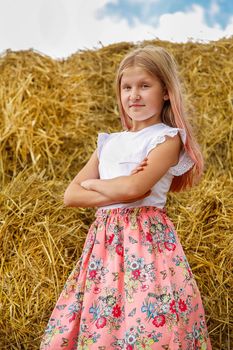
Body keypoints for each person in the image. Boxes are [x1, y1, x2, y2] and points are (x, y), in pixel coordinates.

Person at [40, 45, 212, 349]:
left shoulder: (167, 139)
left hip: (145, 243)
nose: (134, 95)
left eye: (145, 86)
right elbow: (71, 195)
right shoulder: (109, 143)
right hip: (104, 243)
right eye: (127, 87)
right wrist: (110, 186)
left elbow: (134, 191)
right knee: (103, 315)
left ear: (166, 92)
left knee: (148, 320)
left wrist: (98, 185)